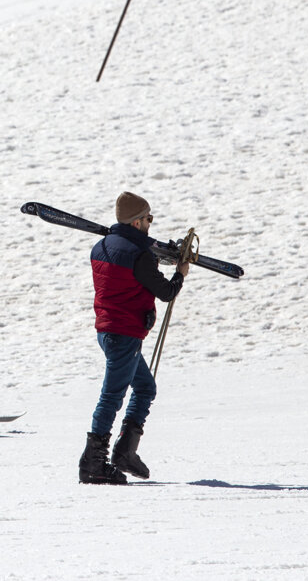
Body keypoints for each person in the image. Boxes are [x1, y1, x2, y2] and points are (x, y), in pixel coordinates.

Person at [79, 192, 188, 485]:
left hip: (107, 330)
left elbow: (129, 274)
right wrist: (180, 272)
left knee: (144, 387)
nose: (151, 223)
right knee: (112, 397)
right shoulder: (140, 256)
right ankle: (93, 463)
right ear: (138, 221)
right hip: (125, 333)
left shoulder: (100, 246)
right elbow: (166, 293)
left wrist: (154, 257)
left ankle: (124, 452)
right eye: (149, 218)